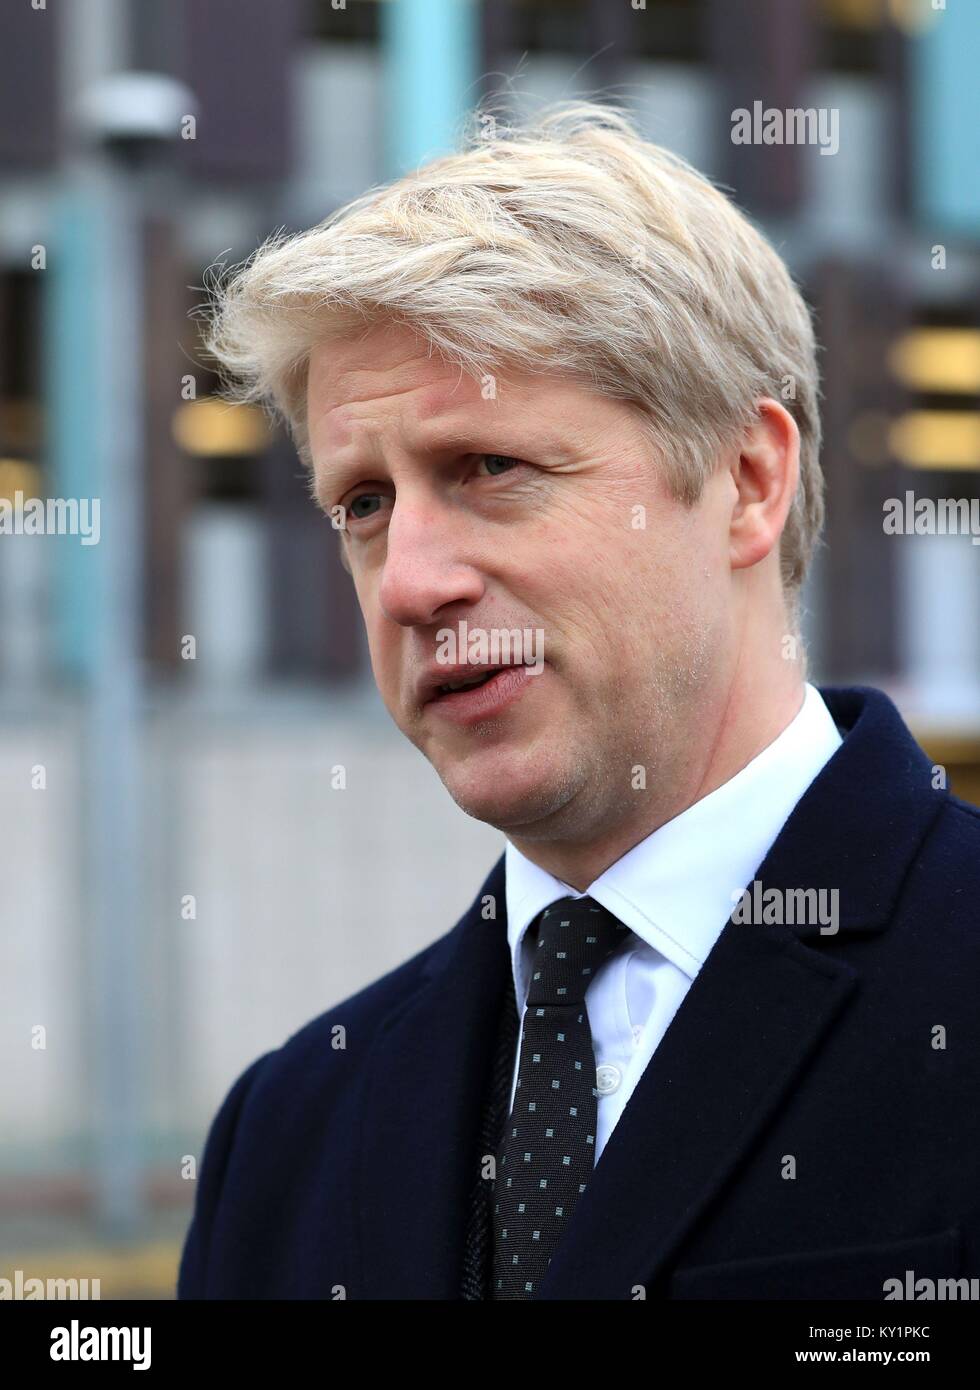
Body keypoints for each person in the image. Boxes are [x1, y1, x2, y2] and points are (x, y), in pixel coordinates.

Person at [177, 101, 980, 1300]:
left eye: (489, 467)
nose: (407, 583)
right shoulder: (286, 1133)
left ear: (745, 481)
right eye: (363, 504)